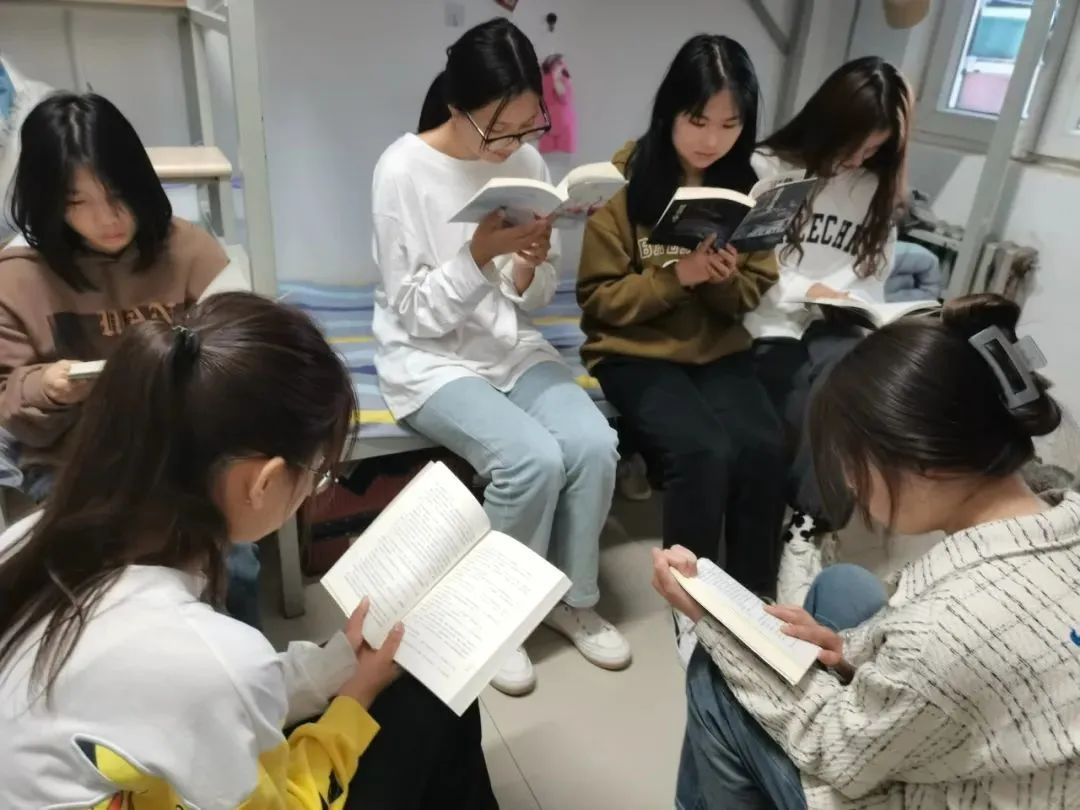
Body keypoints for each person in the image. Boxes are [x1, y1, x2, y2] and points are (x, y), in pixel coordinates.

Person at [0, 292, 498, 809]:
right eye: (318, 473)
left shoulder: (32, 540)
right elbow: (286, 796)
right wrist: (355, 699)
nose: (313, 489)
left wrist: (332, 667)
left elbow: (198, 695)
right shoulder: (212, 657)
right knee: (430, 695)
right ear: (264, 482)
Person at [652, 293, 1080, 809]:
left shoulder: (943, 631)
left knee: (718, 676)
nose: (850, 484)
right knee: (843, 585)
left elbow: (834, 748)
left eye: (851, 460)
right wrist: (846, 654)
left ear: (922, 458)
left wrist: (714, 623)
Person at [370, 18, 627, 697]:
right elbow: (415, 313)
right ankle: (490, 615)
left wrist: (529, 265)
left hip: (508, 343)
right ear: (457, 107)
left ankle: (571, 597)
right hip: (429, 357)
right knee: (530, 460)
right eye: (497, 131)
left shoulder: (527, 164)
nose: (512, 145)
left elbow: (530, 298)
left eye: (527, 127)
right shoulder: (402, 170)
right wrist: (478, 255)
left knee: (594, 444)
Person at [0, 92, 263, 629]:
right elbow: (7, 399)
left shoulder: (188, 249)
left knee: (232, 562)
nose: (107, 219)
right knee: (110, 587)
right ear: (49, 201)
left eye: (117, 193)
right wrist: (46, 388)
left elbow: (247, 345)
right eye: (78, 202)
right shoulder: (18, 274)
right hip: (75, 461)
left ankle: (249, 665)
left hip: (185, 449)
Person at [577, 34, 785, 660]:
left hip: (716, 349)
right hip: (634, 352)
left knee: (763, 446)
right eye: (698, 120)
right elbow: (599, 301)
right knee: (701, 450)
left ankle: (755, 608)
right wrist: (678, 277)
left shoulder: (747, 191)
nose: (711, 139)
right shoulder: (623, 189)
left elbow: (750, 292)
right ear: (670, 112)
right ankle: (693, 614)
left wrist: (719, 281)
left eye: (729, 124)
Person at [746, 57, 913, 546]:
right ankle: (801, 525)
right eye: (852, 145)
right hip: (769, 321)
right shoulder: (771, 169)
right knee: (801, 399)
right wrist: (808, 290)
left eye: (873, 149)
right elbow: (751, 264)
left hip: (838, 325)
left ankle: (807, 528)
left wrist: (849, 300)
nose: (858, 160)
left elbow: (874, 276)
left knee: (845, 387)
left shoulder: (874, 186)